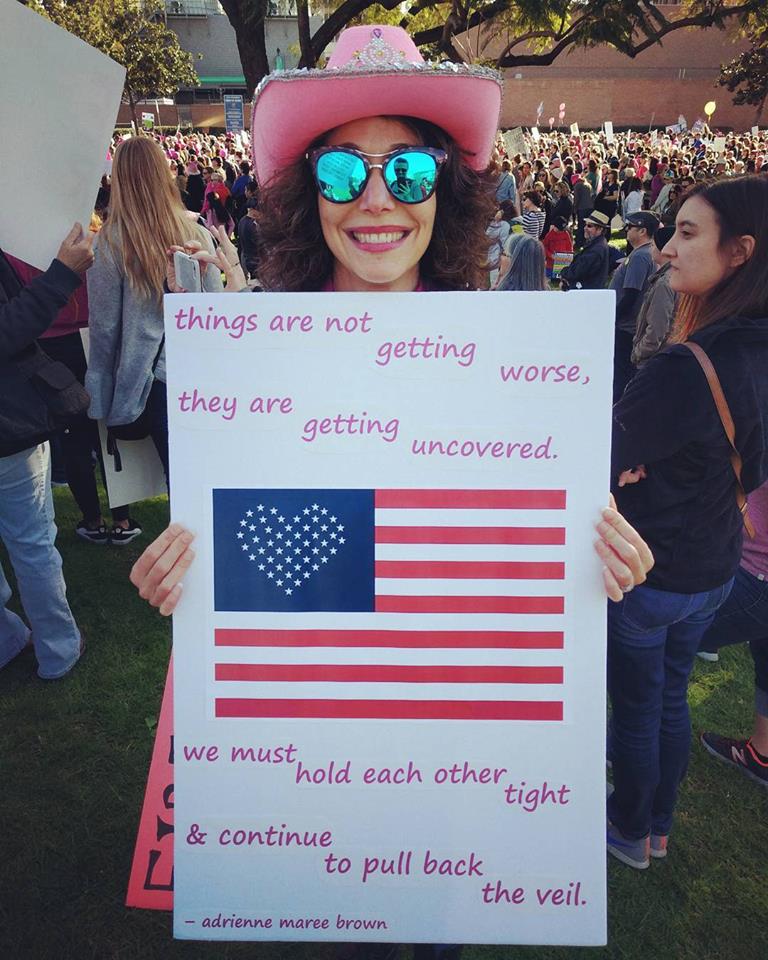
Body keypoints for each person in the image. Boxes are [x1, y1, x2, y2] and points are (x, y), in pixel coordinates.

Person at [130, 26, 655, 951]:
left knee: (441, 929)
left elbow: (511, 560)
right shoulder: (245, 371)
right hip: (317, 771)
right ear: (307, 193)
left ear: (444, 189)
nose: (376, 201)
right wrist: (184, 571)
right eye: (343, 174)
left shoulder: (518, 368)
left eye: (408, 171)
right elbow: (263, 574)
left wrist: (595, 555)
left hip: (459, 767)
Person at [607, 176, 768, 869]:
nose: (668, 249)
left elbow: (600, 453)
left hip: (656, 568)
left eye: (689, 233)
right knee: (670, 697)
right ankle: (658, 826)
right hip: (714, 564)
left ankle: (628, 828)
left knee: (642, 705)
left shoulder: (687, 367)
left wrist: (622, 459)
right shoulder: (748, 347)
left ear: (741, 252)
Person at [85, 137, 223, 482]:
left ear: (120, 179)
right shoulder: (195, 231)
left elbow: (104, 327)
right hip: (195, 372)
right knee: (200, 479)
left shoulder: (112, 241)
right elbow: (217, 310)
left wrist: (99, 395)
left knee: (183, 483)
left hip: (152, 379)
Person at [0, 222, 94, 679]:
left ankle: (12, 640)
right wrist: (61, 274)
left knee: (31, 542)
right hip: (9, 429)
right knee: (32, 544)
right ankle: (58, 651)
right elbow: (8, 329)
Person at [697, 480, 768, 789]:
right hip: (755, 571)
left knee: (664, 640)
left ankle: (625, 745)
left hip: (756, 577)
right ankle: (761, 755)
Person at [611, 210, 659, 401]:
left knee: (621, 375)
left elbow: (631, 293)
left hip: (626, 326)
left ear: (642, 231)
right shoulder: (643, 253)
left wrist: (614, 317)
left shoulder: (639, 256)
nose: (626, 230)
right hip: (630, 325)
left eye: (630, 227)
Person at [630, 225, 677, 367]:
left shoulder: (664, 284)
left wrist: (638, 353)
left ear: (664, 250)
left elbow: (657, 329)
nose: (651, 249)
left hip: (653, 361)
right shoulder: (676, 276)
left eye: (653, 245)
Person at [558, 210, 610, 290]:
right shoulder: (597, 244)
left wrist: (563, 273)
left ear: (600, 229)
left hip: (587, 293)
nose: (585, 228)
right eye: (585, 225)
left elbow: (578, 271)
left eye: (589, 226)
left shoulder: (596, 250)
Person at [541, 215, 573, 280]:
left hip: (562, 261)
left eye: (562, 229)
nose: (560, 231)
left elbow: (569, 246)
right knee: (550, 277)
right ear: (554, 226)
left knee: (561, 276)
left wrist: (569, 256)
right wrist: (551, 255)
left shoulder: (566, 234)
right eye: (558, 229)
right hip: (551, 263)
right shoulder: (549, 235)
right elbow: (544, 247)